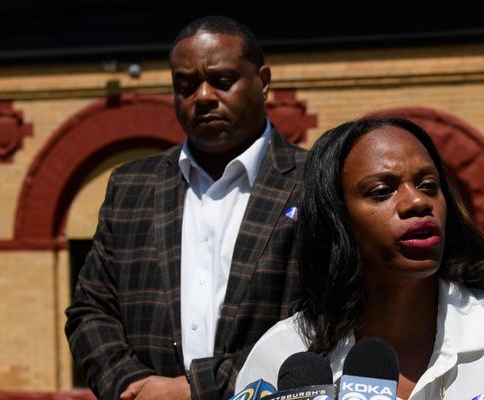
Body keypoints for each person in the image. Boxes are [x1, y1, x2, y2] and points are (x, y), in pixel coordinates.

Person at [234, 117, 484, 399]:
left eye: (428, 185)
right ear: (336, 219)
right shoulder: (284, 353)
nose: (417, 202)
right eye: (382, 191)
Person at [65, 16, 305, 400]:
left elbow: (323, 321)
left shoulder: (314, 184)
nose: (204, 96)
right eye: (186, 86)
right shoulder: (131, 186)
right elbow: (90, 310)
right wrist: (129, 384)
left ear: (262, 81)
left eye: (222, 81)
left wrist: (197, 389)